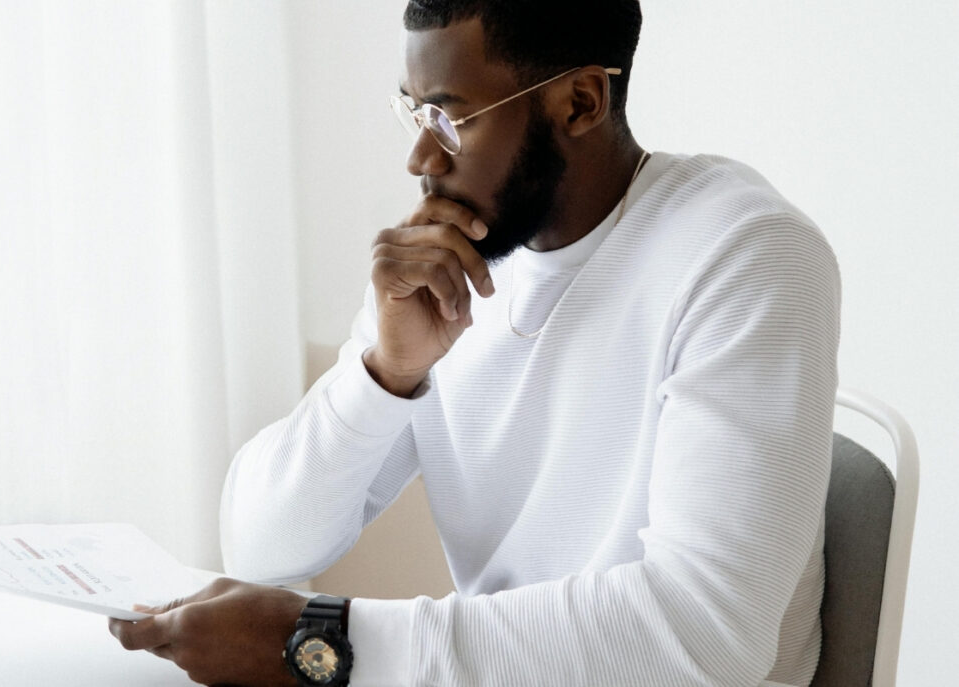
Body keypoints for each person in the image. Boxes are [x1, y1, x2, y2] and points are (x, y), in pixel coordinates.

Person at [110, 1, 841, 685]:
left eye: (453, 118)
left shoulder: (744, 255)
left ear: (580, 101)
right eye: (415, 112)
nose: (421, 157)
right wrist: (385, 372)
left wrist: (318, 641)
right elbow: (262, 546)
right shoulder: (458, 260)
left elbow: (707, 634)